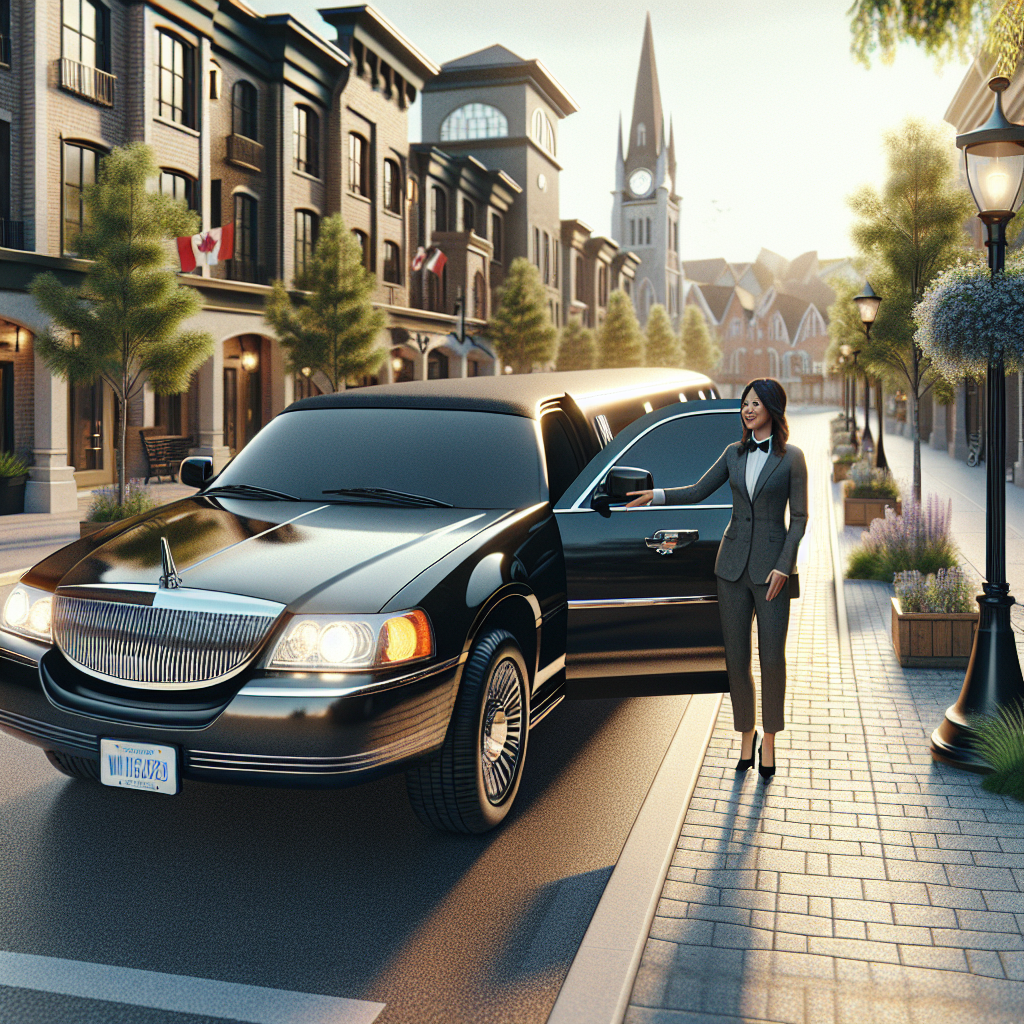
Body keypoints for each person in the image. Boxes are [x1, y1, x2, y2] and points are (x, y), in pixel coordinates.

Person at [626, 378, 807, 781]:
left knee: (772, 659)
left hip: (772, 573)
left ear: (772, 410)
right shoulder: (733, 453)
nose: (747, 409)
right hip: (730, 570)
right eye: (745, 403)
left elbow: (799, 519)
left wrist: (784, 564)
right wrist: (654, 496)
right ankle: (746, 737)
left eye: (755, 403)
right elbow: (696, 491)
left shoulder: (792, 458)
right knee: (736, 659)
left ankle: (771, 741)